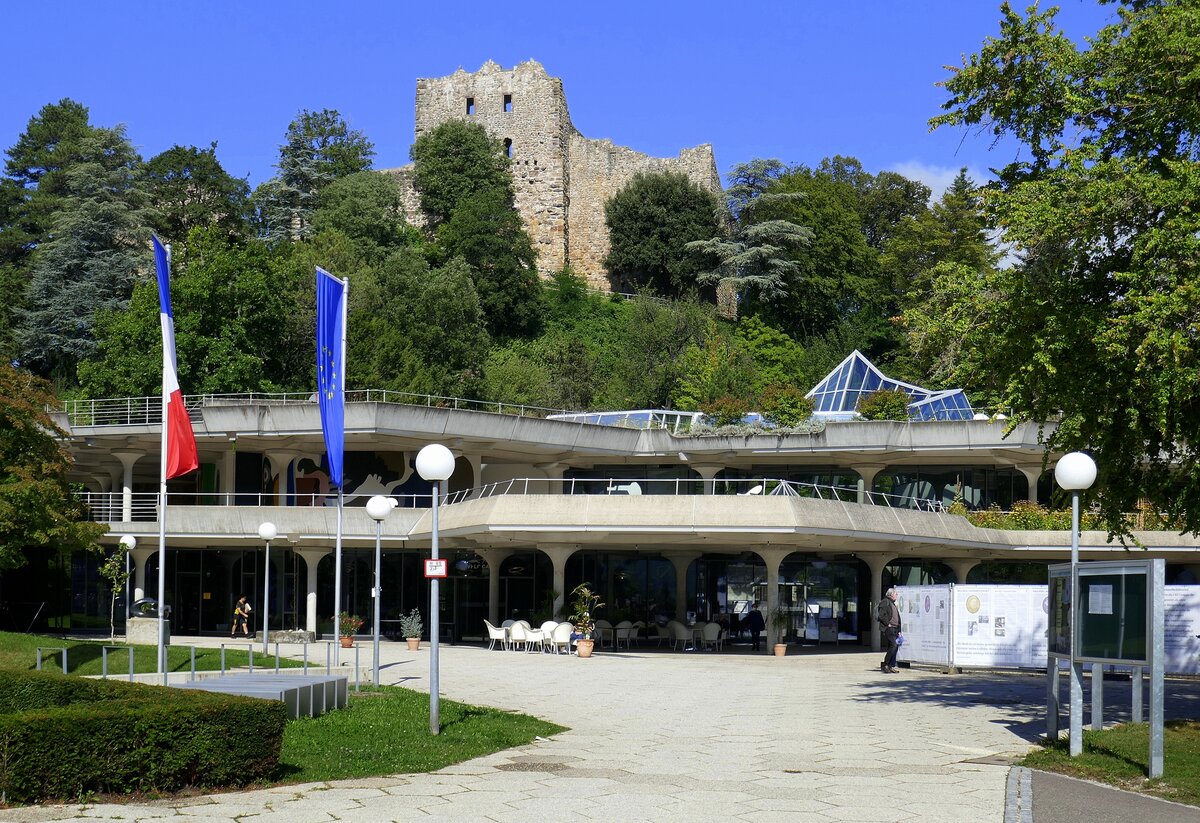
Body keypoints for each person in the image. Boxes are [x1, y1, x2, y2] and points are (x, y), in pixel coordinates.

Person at [877, 587, 902, 673]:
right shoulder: (885, 602)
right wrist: (888, 624)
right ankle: (885, 664)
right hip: (889, 628)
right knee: (893, 645)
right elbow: (881, 615)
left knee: (895, 646)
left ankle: (891, 665)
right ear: (891, 594)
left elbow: (897, 617)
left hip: (895, 628)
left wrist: (899, 630)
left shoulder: (892, 603)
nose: (897, 595)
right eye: (895, 594)